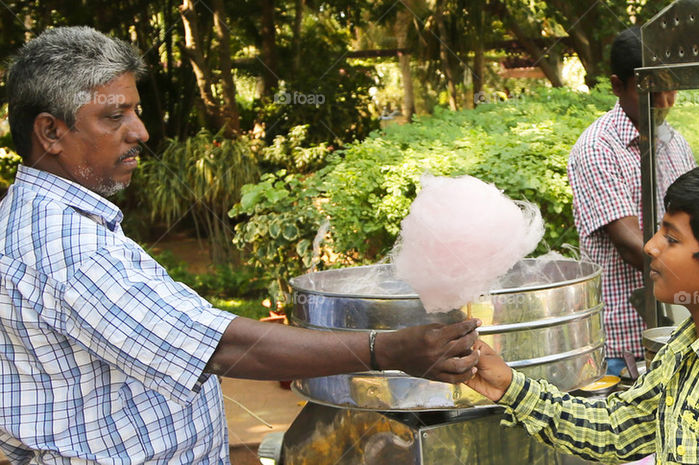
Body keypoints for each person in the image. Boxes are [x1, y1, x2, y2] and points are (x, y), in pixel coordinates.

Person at [0, 26, 479, 463]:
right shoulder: (66, 245)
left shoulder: (43, 215)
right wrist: (387, 350)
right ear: (51, 132)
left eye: (136, 111)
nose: (140, 132)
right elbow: (221, 348)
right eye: (114, 116)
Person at [466, 164, 699, 464]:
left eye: (672, 238)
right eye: (659, 231)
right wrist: (510, 387)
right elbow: (617, 429)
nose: (652, 246)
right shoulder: (685, 345)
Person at [567, 25, 695, 376]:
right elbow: (630, 244)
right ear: (617, 86)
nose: (665, 102)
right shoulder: (597, 148)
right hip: (623, 345)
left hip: (677, 333)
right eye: (651, 91)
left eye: (670, 88)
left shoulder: (676, 143)